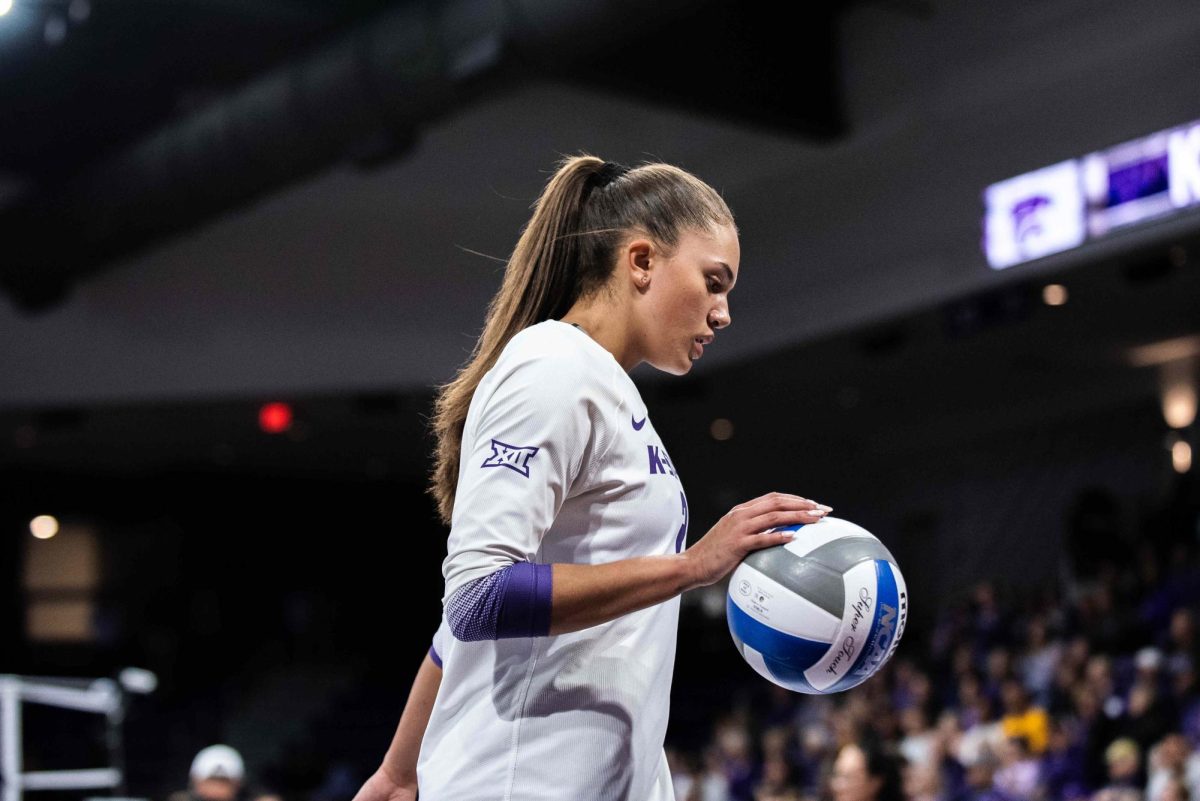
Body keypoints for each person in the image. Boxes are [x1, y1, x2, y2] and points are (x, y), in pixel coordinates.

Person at [350, 153, 830, 801]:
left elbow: (450, 635)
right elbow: (478, 596)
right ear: (641, 261)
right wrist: (693, 566)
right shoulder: (551, 366)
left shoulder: (613, 395)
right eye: (714, 281)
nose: (723, 313)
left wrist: (399, 770)